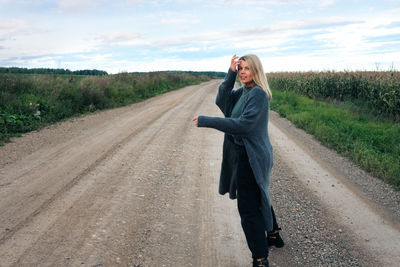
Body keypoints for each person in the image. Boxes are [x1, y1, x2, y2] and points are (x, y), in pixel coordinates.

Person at [192, 54, 284, 267]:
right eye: (240, 68)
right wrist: (230, 73)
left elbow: (243, 125)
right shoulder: (243, 92)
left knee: (248, 208)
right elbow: (221, 100)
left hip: (252, 157)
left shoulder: (258, 95)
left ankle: (260, 259)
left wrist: (207, 121)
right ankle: (273, 235)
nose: (243, 72)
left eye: (247, 69)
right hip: (243, 154)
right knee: (258, 192)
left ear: (256, 71)